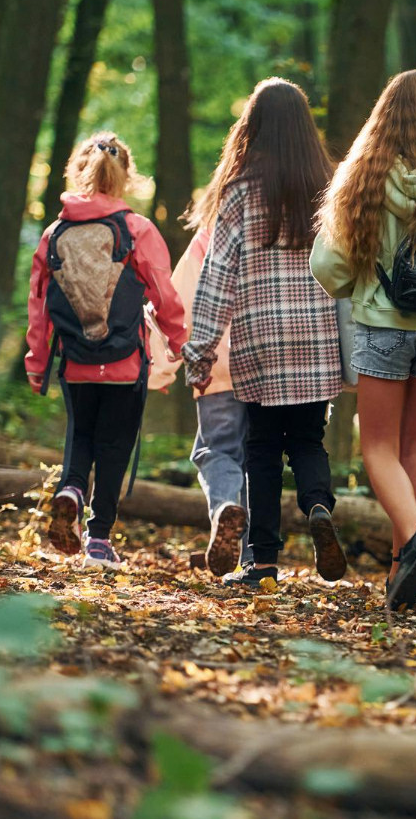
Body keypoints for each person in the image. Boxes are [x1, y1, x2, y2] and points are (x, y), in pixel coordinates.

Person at [310, 69, 416, 611]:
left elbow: (329, 269)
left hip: (383, 326)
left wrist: (364, 275)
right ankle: (402, 572)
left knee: (376, 448)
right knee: (415, 448)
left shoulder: (363, 181)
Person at [180, 78, 345, 589]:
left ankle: (263, 564)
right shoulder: (330, 187)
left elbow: (216, 278)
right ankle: (318, 507)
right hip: (316, 341)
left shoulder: (239, 193)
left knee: (262, 452)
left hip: (260, 345)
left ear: (251, 129)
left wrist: (200, 350)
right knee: (309, 442)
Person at [26, 132, 188, 569]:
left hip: (76, 362)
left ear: (75, 172)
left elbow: (39, 306)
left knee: (81, 435)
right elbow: (165, 295)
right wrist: (179, 343)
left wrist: (37, 364)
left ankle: (71, 490)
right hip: (125, 363)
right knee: (114, 445)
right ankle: (98, 540)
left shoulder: (54, 234)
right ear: (126, 178)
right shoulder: (136, 230)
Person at [148, 225, 252, 577]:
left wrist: (165, 366)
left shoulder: (210, 236)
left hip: (217, 366)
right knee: (258, 458)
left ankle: (224, 506)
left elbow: (177, 302)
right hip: (271, 367)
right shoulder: (288, 225)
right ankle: (254, 554)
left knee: (218, 451)